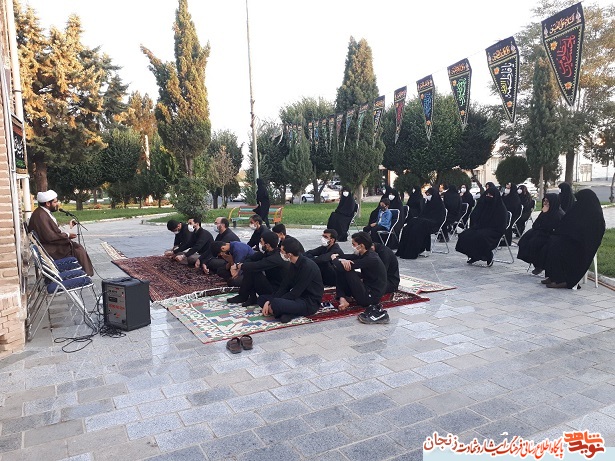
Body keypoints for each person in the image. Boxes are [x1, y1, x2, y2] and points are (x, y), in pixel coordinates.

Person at [542, 189, 605, 289]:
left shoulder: (595, 214)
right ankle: (553, 276)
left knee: (559, 248)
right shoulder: (579, 208)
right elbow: (567, 222)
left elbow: (589, 234)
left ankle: (565, 280)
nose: (577, 201)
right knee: (551, 242)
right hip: (571, 239)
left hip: (583, 244)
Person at [258, 237, 324, 323]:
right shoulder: (293, 264)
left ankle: (285, 311)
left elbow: (296, 292)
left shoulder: (308, 266)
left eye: (282, 251)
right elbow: (285, 286)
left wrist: (271, 302)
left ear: (289, 254)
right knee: (261, 299)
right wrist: (270, 301)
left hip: (308, 302)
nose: (280, 253)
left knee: (276, 303)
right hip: (296, 298)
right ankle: (286, 312)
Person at [28, 190, 94, 276]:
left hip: (49, 245)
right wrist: (67, 235)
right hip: (50, 249)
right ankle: (83, 276)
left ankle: (84, 275)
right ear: (48, 203)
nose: (57, 204)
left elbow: (53, 230)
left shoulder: (42, 212)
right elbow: (50, 236)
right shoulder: (41, 215)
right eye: (55, 202)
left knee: (77, 247)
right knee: (78, 250)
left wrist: (68, 227)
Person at [331, 232, 389, 324]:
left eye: (354, 244)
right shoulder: (364, 253)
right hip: (367, 287)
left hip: (370, 297)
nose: (352, 247)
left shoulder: (371, 258)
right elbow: (347, 257)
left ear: (361, 245)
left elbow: (341, 266)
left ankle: (343, 297)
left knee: (346, 270)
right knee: (345, 268)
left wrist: (334, 258)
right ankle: (343, 297)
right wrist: (341, 258)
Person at [226, 231, 290, 307]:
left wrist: (237, 266)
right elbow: (250, 259)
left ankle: (243, 296)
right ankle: (248, 297)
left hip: (277, 290)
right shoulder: (267, 252)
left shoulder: (275, 258)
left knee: (252, 269)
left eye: (261, 242)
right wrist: (239, 267)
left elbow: (257, 265)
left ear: (267, 245)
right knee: (249, 267)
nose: (260, 244)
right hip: (270, 283)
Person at [455, 185, 507, 267]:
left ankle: (488, 255)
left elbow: (501, 224)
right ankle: (473, 255)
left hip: (494, 230)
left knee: (480, 237)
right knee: (464, 235)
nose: (488, 197)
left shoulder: (500, 208)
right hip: (481, 227)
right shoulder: (484, 205)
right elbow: (476, 216)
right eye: (487, 194)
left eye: (491, 195)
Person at [517, 193, 564, 275]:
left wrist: (545, 216)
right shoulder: (545, 211)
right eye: (544, 201)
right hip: (541, 232)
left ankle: (540, 266)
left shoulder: (558, 214)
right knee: (525, 240)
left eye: (547, 201)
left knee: (536, 243)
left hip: (551, 235)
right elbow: (535, 224)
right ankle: (534, 263)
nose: (545, 203)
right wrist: (544, 214)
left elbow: (552, 227)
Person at [396, 187, 445, 260]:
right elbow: (422, 215)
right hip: (424, 221)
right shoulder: (427, 204)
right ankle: (403, 250)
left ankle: (414, 251)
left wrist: (424, 220)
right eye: (427, 194)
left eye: (429, 195)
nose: (427, 196)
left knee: (418, 228)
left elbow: (439, 219)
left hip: (434, 223)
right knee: (410, 225)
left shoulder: (439, 205)